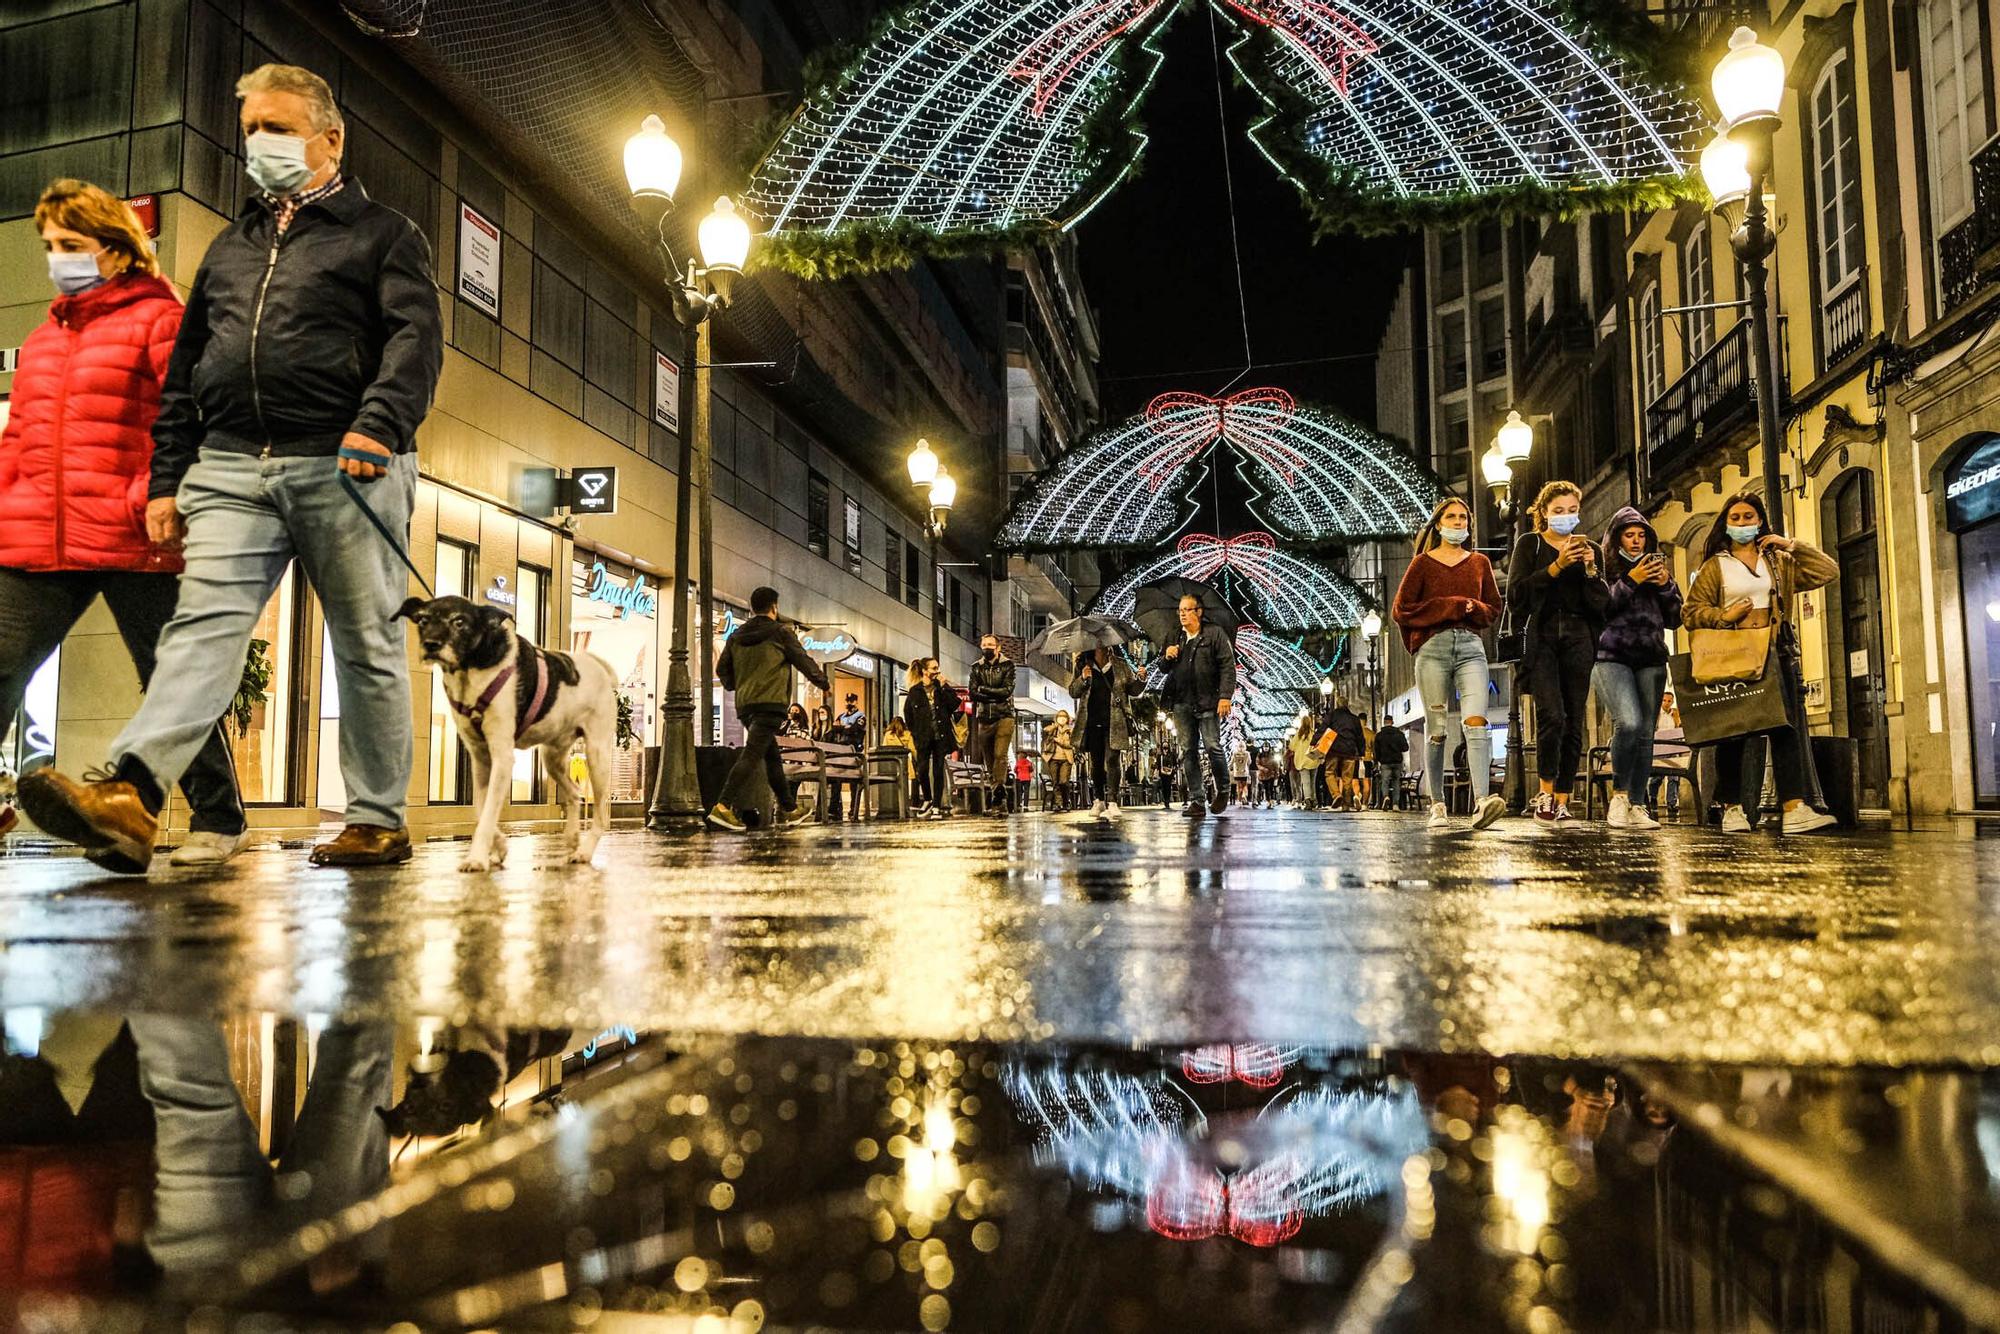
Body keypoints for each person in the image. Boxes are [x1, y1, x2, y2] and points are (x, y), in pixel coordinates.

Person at [18, 64, 444, 873]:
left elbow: (414, 340)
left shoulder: (383, 235)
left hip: (345, 463)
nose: (259, 144)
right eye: (250, 129)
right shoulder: (231, 245)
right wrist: (171, 474)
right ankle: (135, 796)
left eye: (278, 128)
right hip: (233, 465)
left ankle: (376, 818)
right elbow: (185, 372)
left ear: (330, 137)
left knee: (364, 644)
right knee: (201, 630)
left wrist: (378, 423)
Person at [0, 180, 247, 864]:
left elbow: (186, 419)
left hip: (133, 530)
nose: (57, 259)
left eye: (72, 246)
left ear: (115, 249)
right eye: (50, 246)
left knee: (171, 675)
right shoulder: (46, 335)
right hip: (39, 536)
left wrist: (157, 493)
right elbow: (18, 438)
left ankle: (218, 820)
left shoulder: (160, 318)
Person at [1683, 492, 1839, 834]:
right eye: (1736, 518)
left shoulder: (1778, 560)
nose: (1742, 523)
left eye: (1749, 517)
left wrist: (1791, 545)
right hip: (1734, 652)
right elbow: (1690, 613)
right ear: (1726, 524)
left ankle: (1794, 807)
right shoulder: (1715, 566)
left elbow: (1828, 570)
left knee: (1784, 729)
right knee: (1734, 731)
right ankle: (1732, 807)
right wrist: (1724, 615)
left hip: (1775, 651)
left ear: (1760, 521)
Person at [1392, 495, 1507, 831]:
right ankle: (1437, 804)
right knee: (1438, 727)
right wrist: (1453, 605)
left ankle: (1482, 801)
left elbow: (1493, 608)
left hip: (1471, 646)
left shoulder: (1480, 563)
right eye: (1452, 517)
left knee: (1476, 721)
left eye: (1463, 518)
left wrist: (1473, 609)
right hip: (1433, 649)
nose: (1458, 523)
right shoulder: (1422, 564)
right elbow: (1401, 610)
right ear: (1439, 524)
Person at [1506, 481, 1608, 825]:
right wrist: (1557, 566)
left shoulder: (1590, 548)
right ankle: (1545, 793)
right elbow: (1516, 595)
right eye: (1558, 511)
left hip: (1580, 636)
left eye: (1572, 511)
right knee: (1552, 715)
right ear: (1544, 513)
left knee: (1574, 720)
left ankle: (1564, 798)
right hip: (1543, 636)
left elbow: (1601, 604)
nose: (1566, 517)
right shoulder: (1530, 544)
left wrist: (1592, 568)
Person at [707, 586, 831, 832]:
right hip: (771, 704)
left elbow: (722, 670)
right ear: (774, 607)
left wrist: (736, 685)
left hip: (746, 705)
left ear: (753, 607)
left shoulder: (736, 636)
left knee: (771, 755)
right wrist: (823, 682)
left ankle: (789, 808)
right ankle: (722, 806)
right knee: (752, 755)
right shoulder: (780, 632)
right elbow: (802, 659)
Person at [1592, 506, 1683, 830]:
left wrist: (1665, 586)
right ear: (1617, 538)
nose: (1635, 541)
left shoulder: (1658, 570)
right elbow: (1600, 608)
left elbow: (1676, 617)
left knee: (1646, 733)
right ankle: (1619, 795)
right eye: (1629, 535)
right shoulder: (1604, 569)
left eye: (1641, 535)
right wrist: (1632, 580)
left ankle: (1638, 803)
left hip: (1651, 657)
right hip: (1611, 655)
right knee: (1628, 722)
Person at [1162, 595, 1235, 819]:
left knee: (1213, 746)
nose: (1182, 613)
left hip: (1208, 701)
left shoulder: (1214, 634)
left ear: (1199, 611)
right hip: (1182, 701)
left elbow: (1227, 665)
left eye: (1187, 609)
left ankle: (1223, 790)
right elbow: (1164, 668)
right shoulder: (1174, 636)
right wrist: (1167, 656)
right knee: (1188, 752)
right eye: (1180, 610)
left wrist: (1225, 696)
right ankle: (1197, 800)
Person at [1069, 645, 1144, 818]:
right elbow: (1073, 691)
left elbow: (1133, 690)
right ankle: (1098, 800)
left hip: (1115, 721)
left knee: (1112, 759)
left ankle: (1112, 801)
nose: (1104, 645)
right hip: (1092, 720)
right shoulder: (1083, 664)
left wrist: (1141, 679)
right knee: (1096, 762)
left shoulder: (1121, 664)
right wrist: (1082, 678)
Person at [902, 657, 958, 820]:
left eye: (937, 668)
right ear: (925, 671)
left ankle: (936, 806)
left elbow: (954, 704)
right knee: (922, 769)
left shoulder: (940, 688)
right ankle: (927, 799)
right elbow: (908, 715)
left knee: (938, 769)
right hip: (923, 736)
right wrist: (916, 733)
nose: (937, 671)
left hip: (941, 735)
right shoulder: (915, 692)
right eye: (934, 668)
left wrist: (945, 686)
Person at [969, 634, 1017, 813]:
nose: (987, 647)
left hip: (1004, 715)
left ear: (998, 648)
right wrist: (991, 693)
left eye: (990, 645)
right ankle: (999, 797)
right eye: (984, 644)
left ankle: (997, 798)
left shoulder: (1008, 665)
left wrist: (983, 690)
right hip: (984, 718)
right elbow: (972, 693)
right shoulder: (976, 667)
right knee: (989, 760)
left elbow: (1006, 691)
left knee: (1000, 755)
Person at [1321, 698, 1366, 810]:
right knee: (1347, 778)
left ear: (1337, 705)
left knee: (1329, 773)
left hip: (1334, 749)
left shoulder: (1331, 716)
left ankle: (1336, 795)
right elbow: (1360, 737)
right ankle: (1346, 804)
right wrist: (1361, 752)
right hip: (1350, 750)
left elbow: (1322, 729)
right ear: (1347, 705)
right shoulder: (1354, 719)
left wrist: (1314, 742)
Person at [1373, 717, 1408, 809]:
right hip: (1397, 762)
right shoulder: (1399, 734)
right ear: (1392, 722)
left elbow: (1376, 751)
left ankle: (1386, 797)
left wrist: (1378, 760)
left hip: (1385, 762)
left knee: (1385, 781)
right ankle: (1395, 804)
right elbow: (1405, 748)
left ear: (1384, 722)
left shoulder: (1379, 735)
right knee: (1396, 782)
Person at [1288, 717, 1322, 809]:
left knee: (1305, 782)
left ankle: (1308, 800)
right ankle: (1314, 799)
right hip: (1313, 760)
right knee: (1312, 782)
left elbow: (1292, 747)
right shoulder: (1313, 734)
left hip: (1302, 761)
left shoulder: (1298, 735)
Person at [1046, 711, 1075, 811]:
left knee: (1064, 781)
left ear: (1067, 719)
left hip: (1066, 759)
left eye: (1064, 717)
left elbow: (1072, 744)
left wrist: (1059, 741)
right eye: (1059, 717)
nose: (1062, 719)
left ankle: (1067, 802)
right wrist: (1052, 729)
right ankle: (1058, 803)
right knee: (1055, 782)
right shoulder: (1053, 729)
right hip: (1053, 758)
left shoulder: (1070, 730)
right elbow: (1046, 737)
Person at [1229, 737, 1251, 805]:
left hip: (1237, 772)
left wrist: (1230, 768)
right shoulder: (1247, 753)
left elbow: (1231, 762)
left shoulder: (1235, 753)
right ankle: (1244, 795)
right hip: (1244, 772)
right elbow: (1249, 762)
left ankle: (1240, 798)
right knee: (1244, 785)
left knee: (1239, 786)